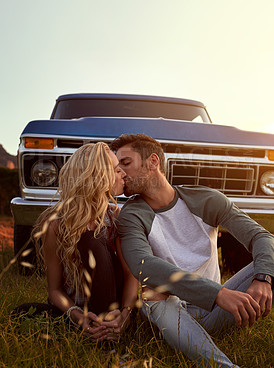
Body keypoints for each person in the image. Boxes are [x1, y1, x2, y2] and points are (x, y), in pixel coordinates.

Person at [111, 134, 274, 368]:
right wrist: (218, 293)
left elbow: (261, 236)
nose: (122, 173)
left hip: (217, 310)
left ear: (153, 162)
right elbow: (142, 264)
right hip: (171, 314)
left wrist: (263, 278)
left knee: (270, 258)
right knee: (152, 295)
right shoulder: (131, 215)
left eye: (126, 163)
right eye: (118, 167)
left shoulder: (206, 200)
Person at [12, 142, 138, 342]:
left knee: (92, 240)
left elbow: (131, 276)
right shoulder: (55, 225)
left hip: (113, 304)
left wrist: (126, 314)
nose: (123, 173)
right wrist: (76, 315)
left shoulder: (117, 217)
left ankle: (107, 331)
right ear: (98, 178)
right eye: (115, 169)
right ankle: (89, 329)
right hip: (78, 309)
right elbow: (54, 290)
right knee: (21, 313)